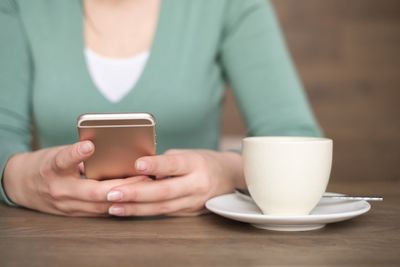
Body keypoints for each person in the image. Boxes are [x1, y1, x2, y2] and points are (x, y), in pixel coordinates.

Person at [0, 0, 321, 217]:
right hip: (54, 243)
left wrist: (226, 172)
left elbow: (296, 139)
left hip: (197, 242)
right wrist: (21, 179)